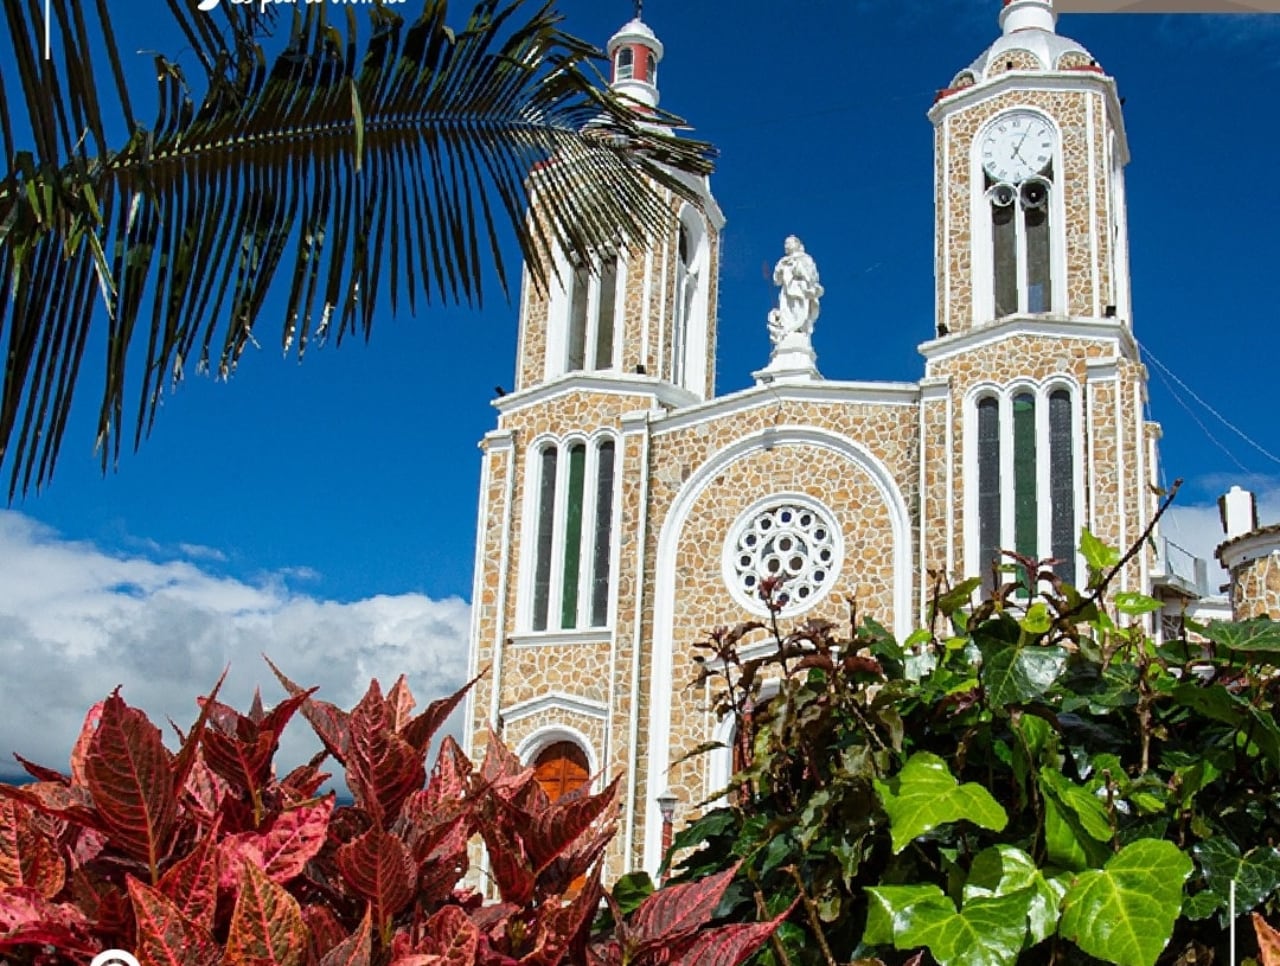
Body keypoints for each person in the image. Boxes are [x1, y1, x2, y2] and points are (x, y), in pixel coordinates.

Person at [768, 235, 823, 345]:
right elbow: (777, 280)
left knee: (800, 310)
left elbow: (812, 276)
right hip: (786, 292)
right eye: (785, 244)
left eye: (789, 243)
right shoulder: (782, 261)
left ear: (797, 244)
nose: (786, 246)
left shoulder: (805, 258)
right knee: (786, 311)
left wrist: (796, 267)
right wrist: (780, 269)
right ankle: (788, 331)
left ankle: (798, 330)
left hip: (801, 289)